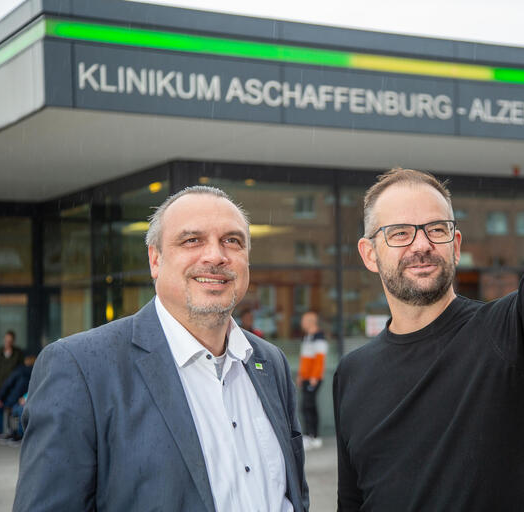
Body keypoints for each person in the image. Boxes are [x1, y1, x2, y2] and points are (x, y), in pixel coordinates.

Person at [333, 108, 524, 511]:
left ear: (456, 244)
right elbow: (351, 501)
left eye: (436, 229)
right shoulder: (352, 374)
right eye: (399, 233)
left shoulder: (509, 334)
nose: (421, 244)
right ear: (369, 254)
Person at [15, 186, 309, 512]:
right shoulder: (80, 368)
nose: (216, 255)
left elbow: (290, 494)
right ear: (156, 260)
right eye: (192, 240)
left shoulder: (269, 362)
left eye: (232, 241)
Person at [297, 311, 328, 450]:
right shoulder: (307, 337)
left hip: (313, 378)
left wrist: (315, 376)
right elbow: (304, 359)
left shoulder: (319, 337)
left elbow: (320, 359)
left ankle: (314, 436)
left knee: (309, 406)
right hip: (306, 377)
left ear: (311, 321)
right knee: (306, 406)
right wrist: (301, 375)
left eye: (304, 320)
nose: (302, 323)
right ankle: (309, 435)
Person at [0, 355, 35, 442]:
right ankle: (17, 434)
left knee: (9, 414)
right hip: (25, 398)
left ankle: (10, 433)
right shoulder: (36, 372)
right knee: (18, 415)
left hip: (14, 397)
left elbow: (8, 383)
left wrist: (0, 397)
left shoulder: (19, 370)